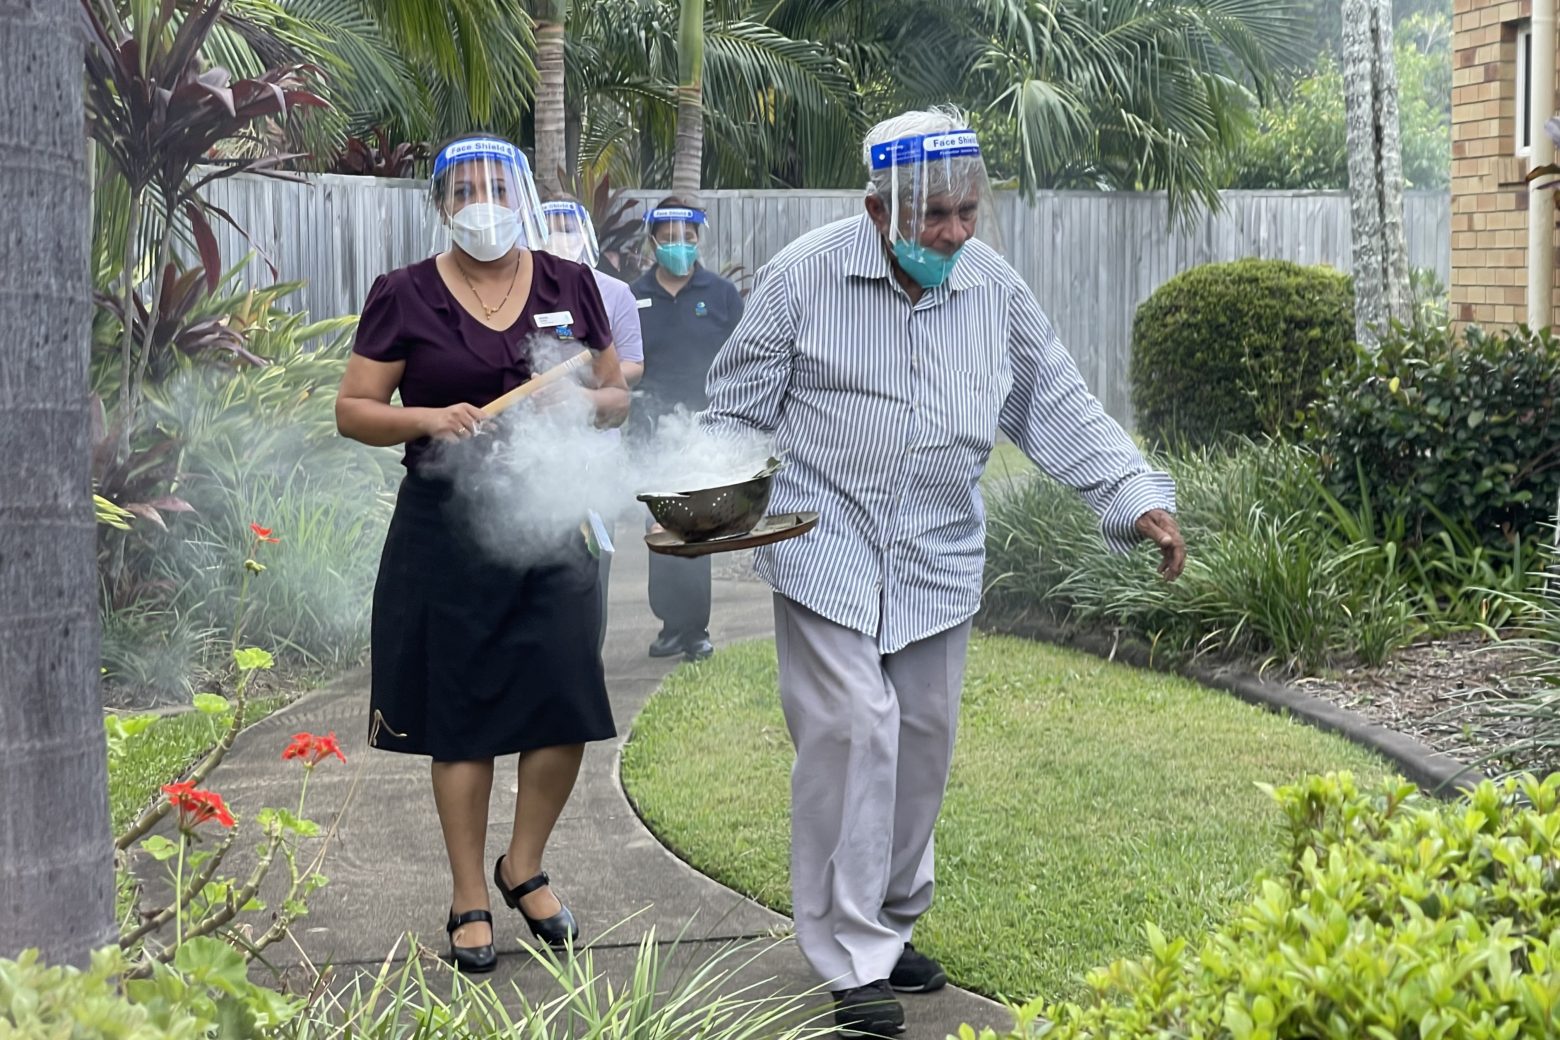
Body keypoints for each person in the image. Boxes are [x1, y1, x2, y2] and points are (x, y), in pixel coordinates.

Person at [699, 107, 1187, 1037]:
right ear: (877, 208)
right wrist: (714, 499)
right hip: (823, 535)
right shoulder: (803, 278)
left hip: (936, 546)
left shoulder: (991, 286)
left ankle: (883, 916)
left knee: (921, 736)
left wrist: (1130, 492)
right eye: (935, 218)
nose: (955, 235)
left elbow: (1054, 398)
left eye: (968, 213)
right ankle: (850, 959)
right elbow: (735, 408)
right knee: (852, 729)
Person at [334, 134, 630, 973]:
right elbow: (353, 410)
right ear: (441, 204)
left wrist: (582, 403)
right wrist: (428, 418)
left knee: (565, 701)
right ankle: (469, 894)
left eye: (497, 186)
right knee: (459, 719)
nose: (482, 203)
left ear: (525, 197)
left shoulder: (572, 286)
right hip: (446, 530)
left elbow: (614, 395)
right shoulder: (404, 295)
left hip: (551, 519)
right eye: (463, 189)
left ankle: (522, 866)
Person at [630, 198, 744, 662]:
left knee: (695, 526)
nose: (680, 245)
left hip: (702, 427)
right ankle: (669, 625)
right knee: (659, 526)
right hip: (650, 429)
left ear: (700, 239)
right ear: (653, 241)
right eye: (670, 237)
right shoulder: (632, 296)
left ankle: (695, 628)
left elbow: (743, 360)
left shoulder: (720, 295)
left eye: (689, 237)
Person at [538, 194, 644, 653]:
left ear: (587, 238)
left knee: (591, 558)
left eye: (569, 228)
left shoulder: (614, 293)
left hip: (596, 445)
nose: (561, 238)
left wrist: (582, 387)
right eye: (551, 228)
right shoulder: (523, 290)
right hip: (536, 448)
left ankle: (587, 657)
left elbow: (633, 364)